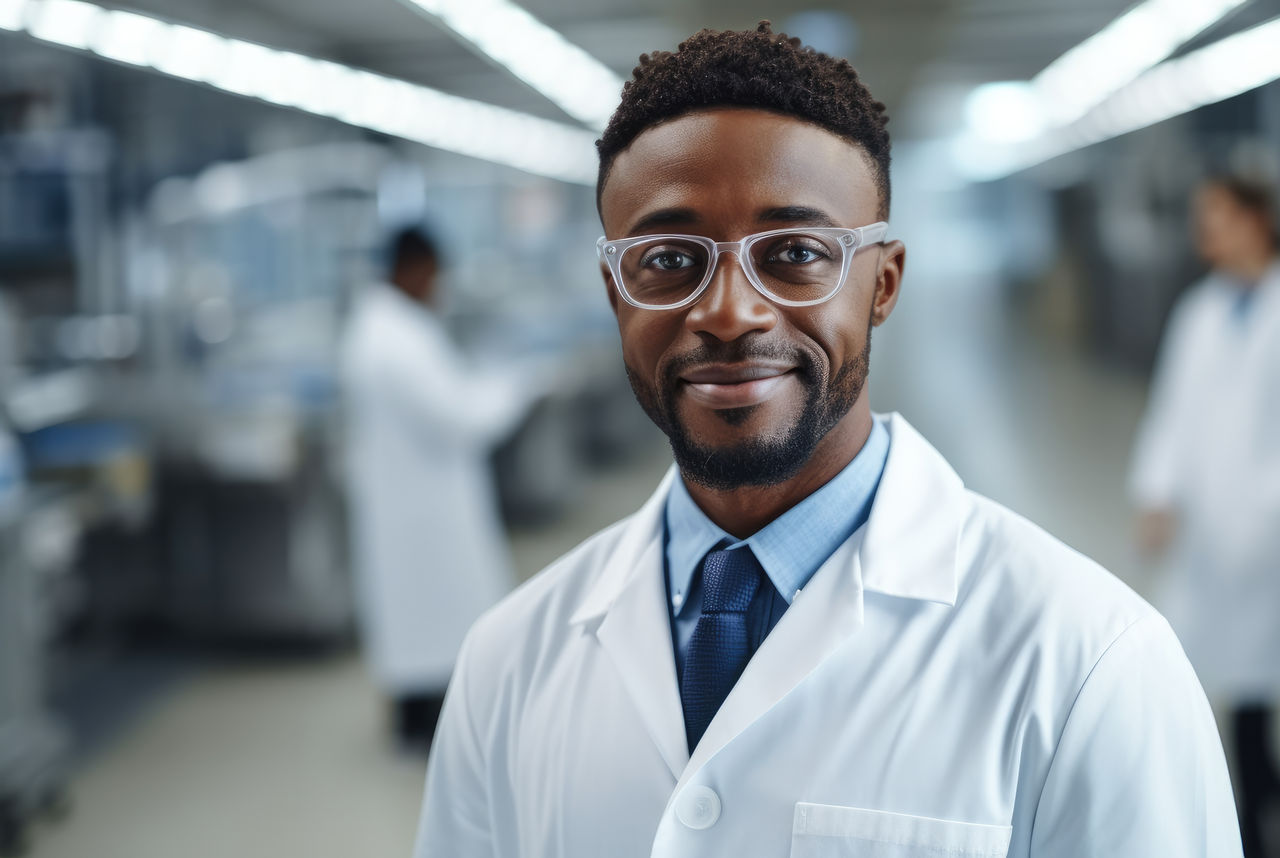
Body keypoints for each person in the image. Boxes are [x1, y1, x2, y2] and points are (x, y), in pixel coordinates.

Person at [415, 24, 1241, 857]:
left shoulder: (1089, 667)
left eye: (796, 253)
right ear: (615, 289)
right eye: (668, 257)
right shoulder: (507, 663)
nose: (729, 312)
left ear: (882, 285)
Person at [1130, 175, 1280, 857]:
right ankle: (1248, 815)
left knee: (1261, 667)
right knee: (1228, 673)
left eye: (1216, 217)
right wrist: (1158, 489)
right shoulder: (1200, 310)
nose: (1204, 232)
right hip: (1214, 529)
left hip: (1269, 523)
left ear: (1255, 221)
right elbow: (1173, 412)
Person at [341, 227, 533, 750]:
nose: (438, 286)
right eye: (434, 274)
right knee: (429, 611)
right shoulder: (393, 340)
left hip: (415, 501)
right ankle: (421, 724)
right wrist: (511, 387)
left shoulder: (390, 328)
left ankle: (420, 714)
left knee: (422, 613)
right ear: (413, 268)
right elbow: (457, 417)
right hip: (420, 509)